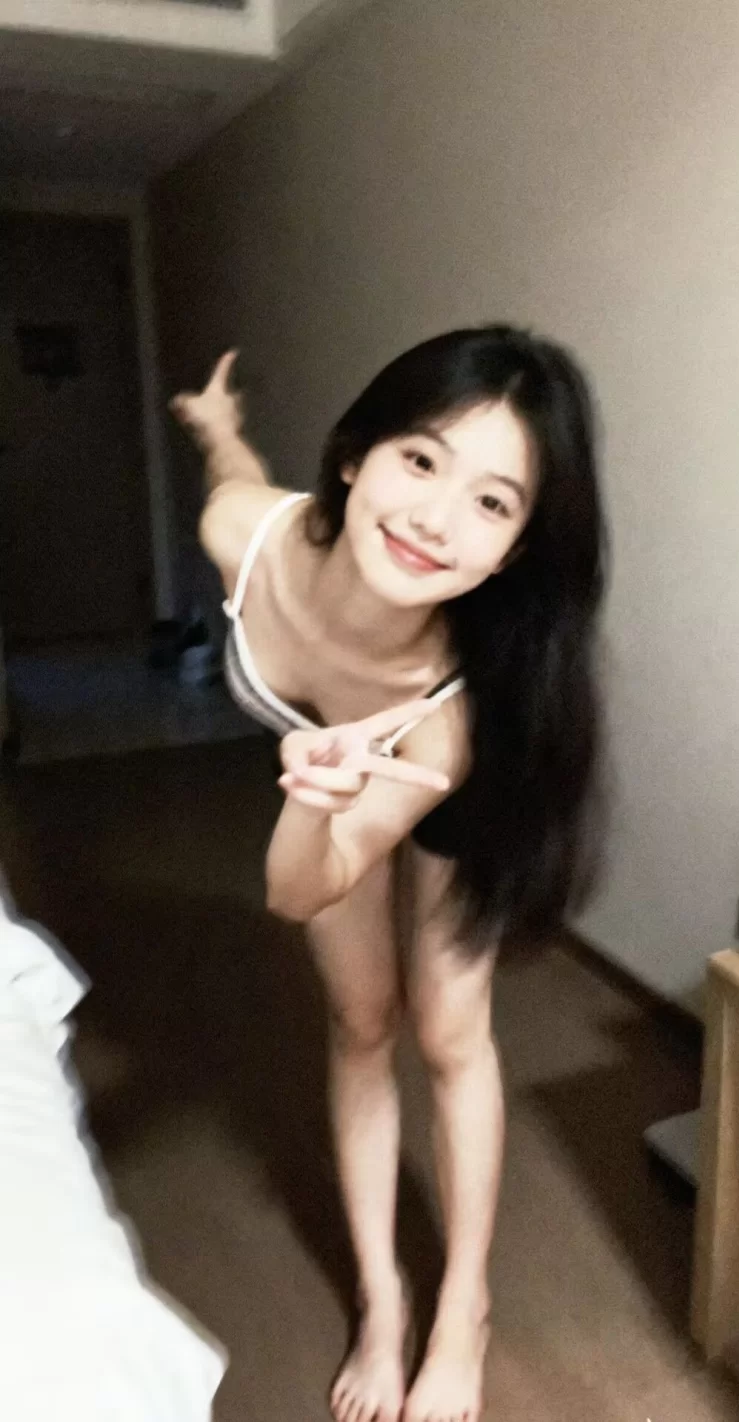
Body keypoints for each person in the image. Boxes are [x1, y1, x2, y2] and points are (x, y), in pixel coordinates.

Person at [171, 325, 606, 1422]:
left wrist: (331, 794)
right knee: (359, 1020)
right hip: (328, 785)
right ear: (354, 453)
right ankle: (384, 1300)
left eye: (491, 502)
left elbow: (323, 867)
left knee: (447, 1027)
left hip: (439, 777)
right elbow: (296, 893)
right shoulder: (244, 539)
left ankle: (463, 1310)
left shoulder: (452, 715)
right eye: (420, 459)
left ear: (511, 551)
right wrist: (219, 430)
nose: (434, 520)